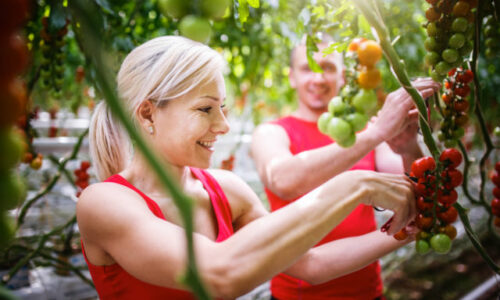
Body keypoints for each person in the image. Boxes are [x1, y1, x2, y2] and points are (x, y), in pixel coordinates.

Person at [76, 36, 417, 300]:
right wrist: (353, 186)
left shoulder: (226, 189)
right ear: (148, 113)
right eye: (206, 109)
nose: (223, 125)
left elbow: (312, 265)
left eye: (222, 108)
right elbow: (217, 274)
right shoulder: (104, 203)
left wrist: (409, 229)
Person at [250, 37, 440, 300]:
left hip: (367, 292)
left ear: (342, 76)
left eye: (327, 67)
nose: (318, 78)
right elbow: (283, 179)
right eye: (307, 69)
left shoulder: (366, 134)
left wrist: (408, 148)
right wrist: (376, 132)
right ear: (292, 77)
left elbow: (418, 196)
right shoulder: (272, 132)